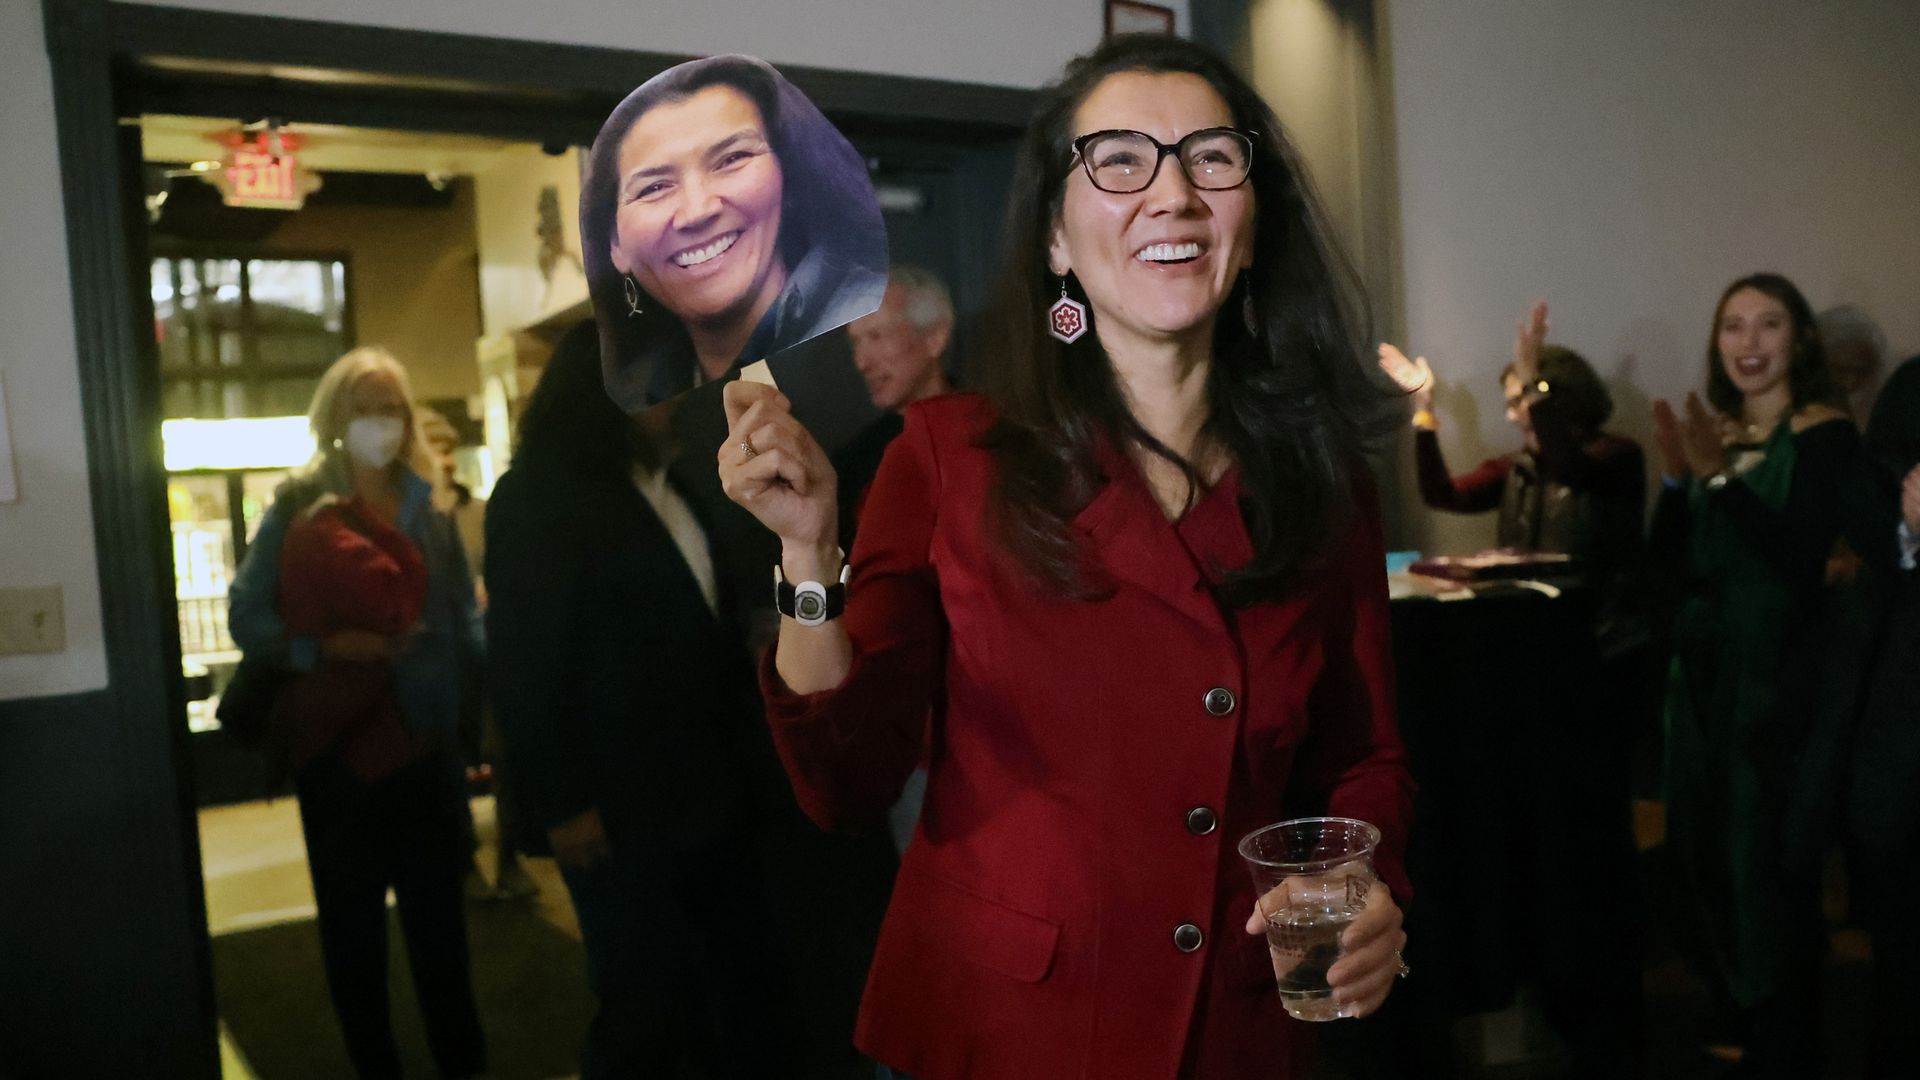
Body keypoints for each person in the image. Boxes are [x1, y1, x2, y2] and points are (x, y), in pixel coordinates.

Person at [715, 35, 1412, 1079]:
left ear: (1254, 219)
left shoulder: (1323, 477)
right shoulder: (949, 458)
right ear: (1054, 236)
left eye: (1212, 158)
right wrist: (809, 552)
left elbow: (1365, 756)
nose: (1173, 194)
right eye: (1120, 160)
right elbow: (847, 782)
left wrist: (1364, 884)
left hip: (1237, 1029)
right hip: (1006, 1030)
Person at [485, 321, 778, 1078]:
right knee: (642, 1009)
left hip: (705, 797)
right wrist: (563, 804)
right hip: (617, 809)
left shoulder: (670, 486)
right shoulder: (538, 498)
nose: (672, 395)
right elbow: (526, 665)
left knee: (710, 1001)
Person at [1647, 273, 1898, 1078]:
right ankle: (1747, 1022)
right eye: (1733, 326)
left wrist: (1721, 478)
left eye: (1769, 324)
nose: (1749, 343)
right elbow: (1669, 570)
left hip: (1776, 687)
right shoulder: (1718, 433)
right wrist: (1680, 479)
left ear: (1800, 340)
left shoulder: (1822, 435)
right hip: (1702, 684)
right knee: (1700, 857)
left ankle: (1788, 1041)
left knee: (1767, 869)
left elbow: (1800, 560)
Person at [228, 347, 486, 1080]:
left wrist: (477, 711)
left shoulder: (427, 503)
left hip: (425, 744)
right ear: (335, 417)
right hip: (340, 751)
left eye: (391, 408)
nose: (380, 422)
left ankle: (464, 1065)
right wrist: (322, 649)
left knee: (442, 932)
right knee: (353, 936)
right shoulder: (299, 503)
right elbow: (247, 614)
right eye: (365, 408)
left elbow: (462, 618)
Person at [581, 54, 888, 412]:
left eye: (732, 159)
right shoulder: (645, 397)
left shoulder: (870, 344)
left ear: (789, 177)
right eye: (654, 188)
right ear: (615, 245)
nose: (698, 211)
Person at [1379, 300, 1645, 581]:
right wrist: (1424, 410)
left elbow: (1569, 467)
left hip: (1591, 606)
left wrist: (1531, 381)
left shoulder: (1618, 455)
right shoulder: (1520, 468)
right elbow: (1442, 494)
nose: (1511, 416)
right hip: (1524, 604)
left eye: (1520, 400)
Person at [843, 265, 958, 852]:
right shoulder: (855, 465)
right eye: (854, 343)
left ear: (935, 336)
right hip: (912, 735)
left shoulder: (1003, 436)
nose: (863, 360)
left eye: (877, 336)